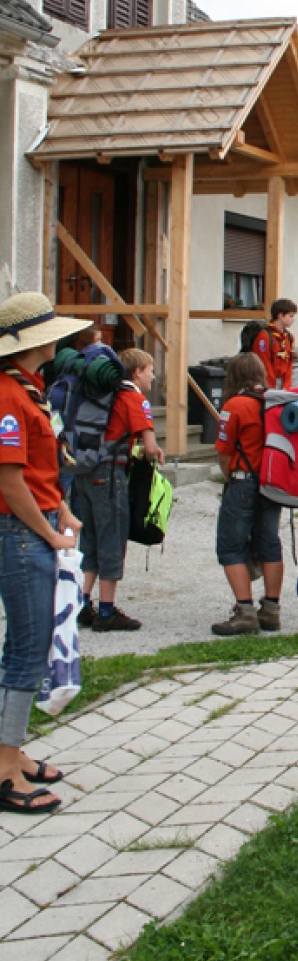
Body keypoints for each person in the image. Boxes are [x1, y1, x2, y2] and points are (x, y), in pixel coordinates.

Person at [0, 292, 90, 814]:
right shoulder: (9, 397)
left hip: (30, 526)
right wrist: (50, 535)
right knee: (28, 652)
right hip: (18, 535)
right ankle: (5, 773)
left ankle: (11, 751)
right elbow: (9, 481)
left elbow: (36, 469)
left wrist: (62, 509)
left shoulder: (26, 389)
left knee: (20, 646)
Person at [75, 346, 163, 632]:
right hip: (109, 474)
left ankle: (81, 602)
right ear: (137, 372)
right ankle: (106, 611)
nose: (153, 376)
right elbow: (150, 447)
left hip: (85, 470)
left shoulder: (104, 393)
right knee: (112, 537)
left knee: (90, 538)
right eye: (150, 371)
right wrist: (152, 453)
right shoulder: (133, 398)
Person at [211, 352, 284, 637]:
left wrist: (229, 477)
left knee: (231, 545)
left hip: (244, 480)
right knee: (269, 543)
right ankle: (271, 609)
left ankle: (245, 611)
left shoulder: (235, 405)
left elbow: (224, 452)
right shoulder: (275, 402)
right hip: (272, 482)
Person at [253, 299, 296, 390]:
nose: (293, 319)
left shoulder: (289, 337)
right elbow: (264, 363)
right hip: (267, 383)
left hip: (283, 383)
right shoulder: (264, 336)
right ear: (280, 316)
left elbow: (289, 363)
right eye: (290, 316)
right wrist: (270, 387)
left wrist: (286, 386)